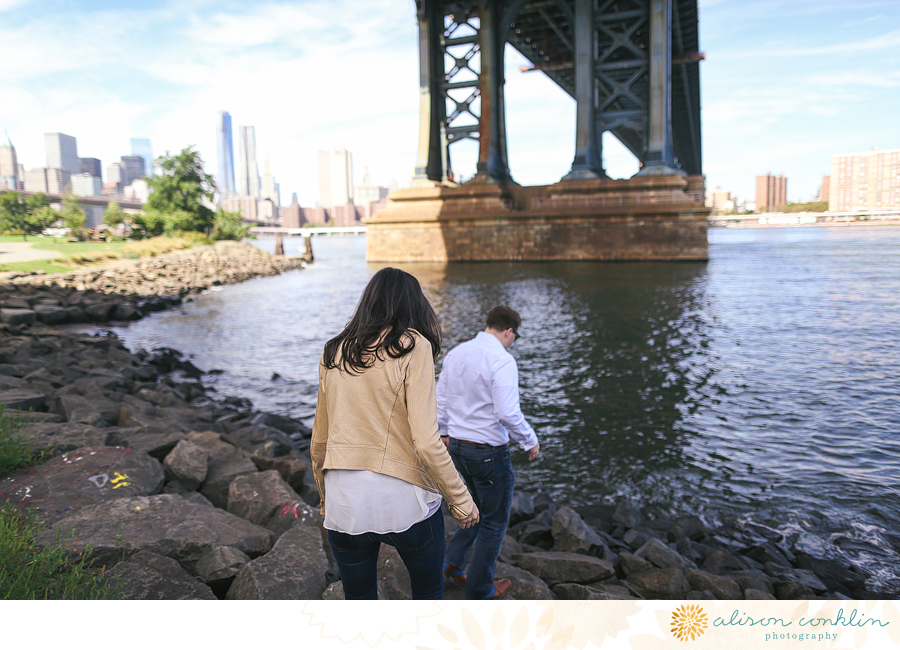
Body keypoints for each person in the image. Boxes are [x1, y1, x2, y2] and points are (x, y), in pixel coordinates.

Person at [310, 267, 480, 600]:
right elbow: (427, 441)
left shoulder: (334, 350)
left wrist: (324, 499)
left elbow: (319, 441)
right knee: (428, 593)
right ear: (414, 304)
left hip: (344, 499)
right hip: (403, 500)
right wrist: (460, 501)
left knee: (360, 602)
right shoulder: (413, 346)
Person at [437, 305, 540, 600]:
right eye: (514, 338)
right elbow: (507, 412)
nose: (512, 343)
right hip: (488, 452)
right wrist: (529, 440)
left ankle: (450, 563)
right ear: (509, 331)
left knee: (474, 510)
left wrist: (443, 432)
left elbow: (440, 399)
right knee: (493, 522)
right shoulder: (502, 360)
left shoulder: (457, 353)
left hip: (457, 446)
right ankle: (480, 590)